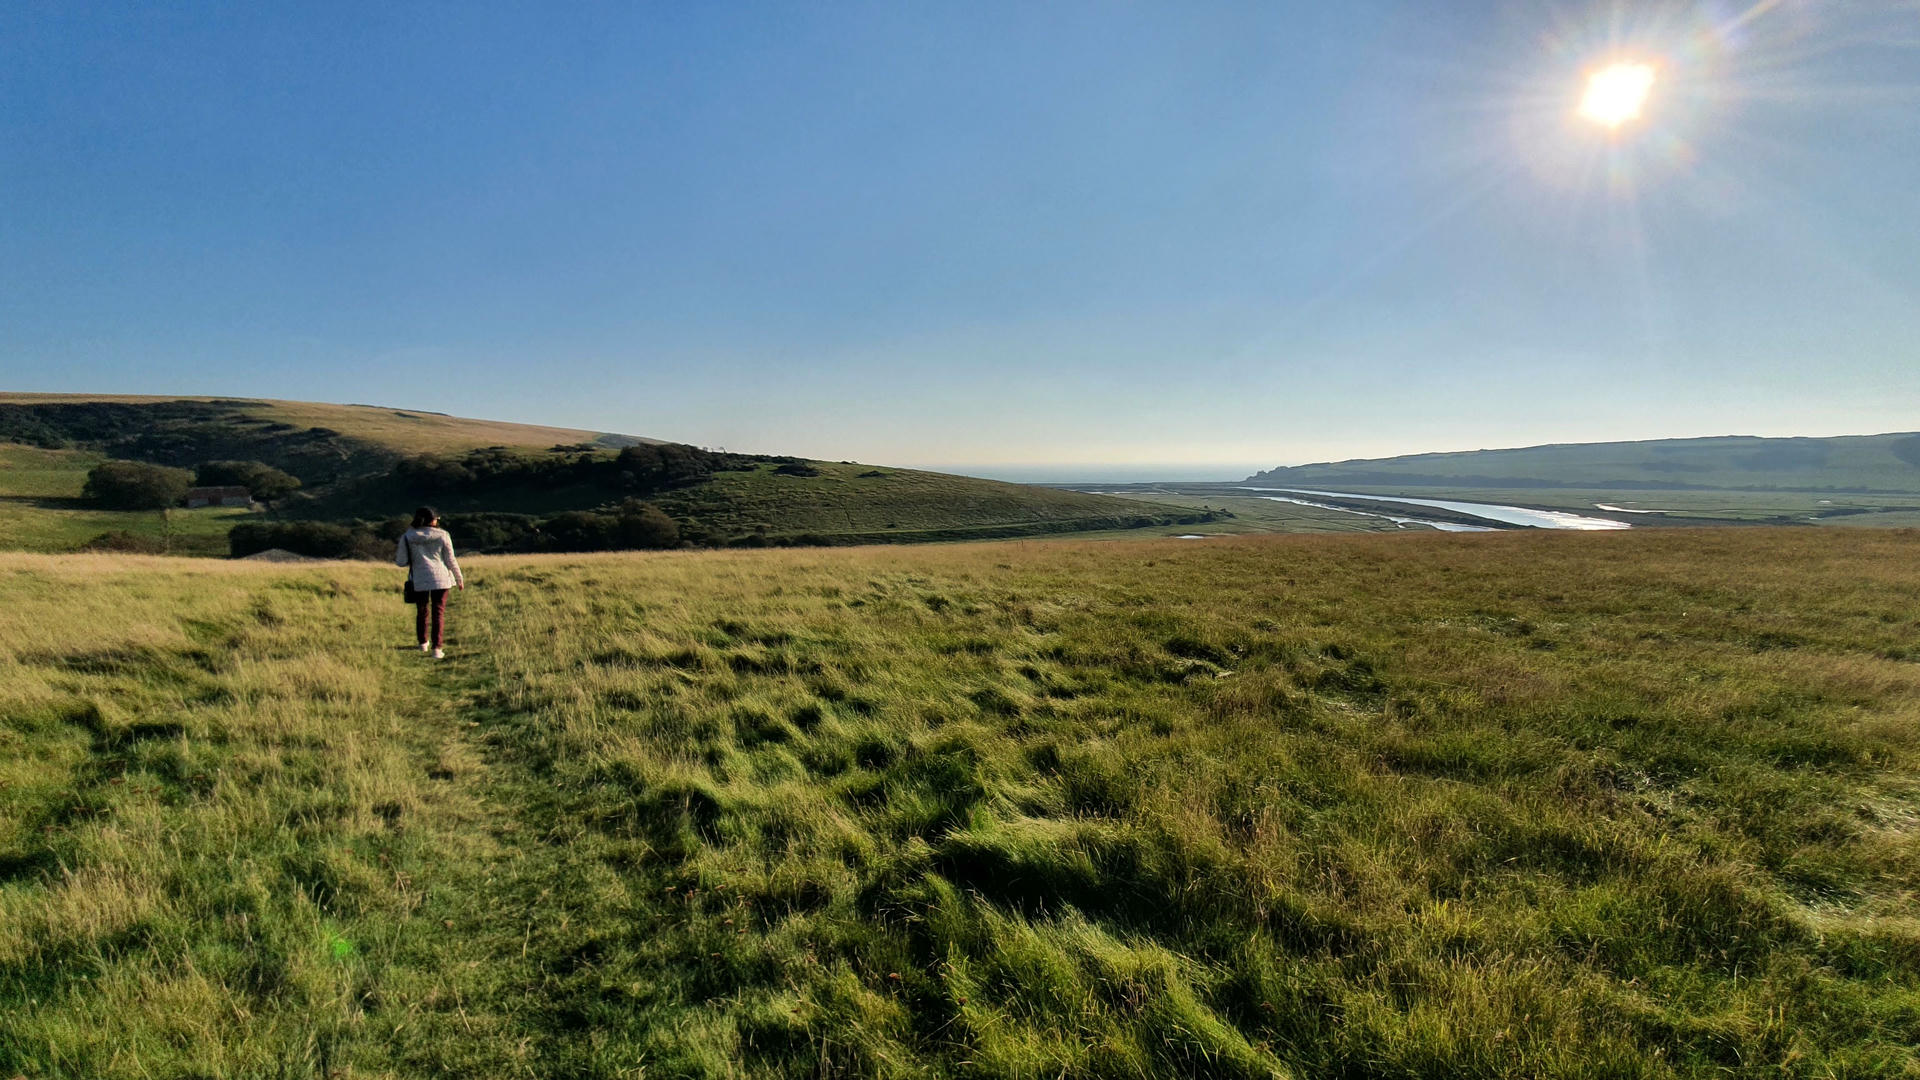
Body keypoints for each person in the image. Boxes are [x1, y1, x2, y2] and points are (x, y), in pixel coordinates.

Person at [395, 506, 463, 659]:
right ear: (432, 520)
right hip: (441, 578)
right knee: (438, 612)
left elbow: (401, 562)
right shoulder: (443, 535)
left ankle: (423, 643)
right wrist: (459, 578)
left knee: (422, 610)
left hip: (419, 578)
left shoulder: (407, 536)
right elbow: (450, 559)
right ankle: (437, 648)